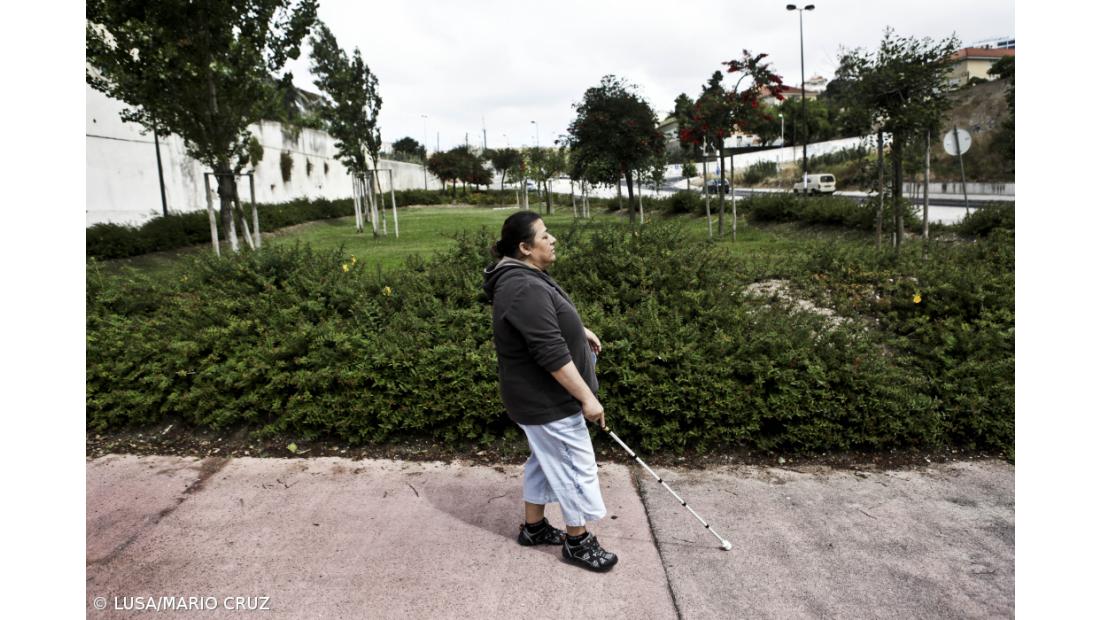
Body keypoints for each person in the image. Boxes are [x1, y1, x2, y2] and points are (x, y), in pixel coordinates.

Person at [481, 211, 618, 572]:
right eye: (544, 235)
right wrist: (587, 398)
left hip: (535, 398)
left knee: (544, 461)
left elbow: (545, 322)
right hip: (546, 401)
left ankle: (534, 528)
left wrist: (578, 329)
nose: (552, 238)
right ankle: (578, 542)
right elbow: (550, 353)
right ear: (525, 248)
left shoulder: (522, 276)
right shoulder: (523, 286)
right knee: (575, 466)